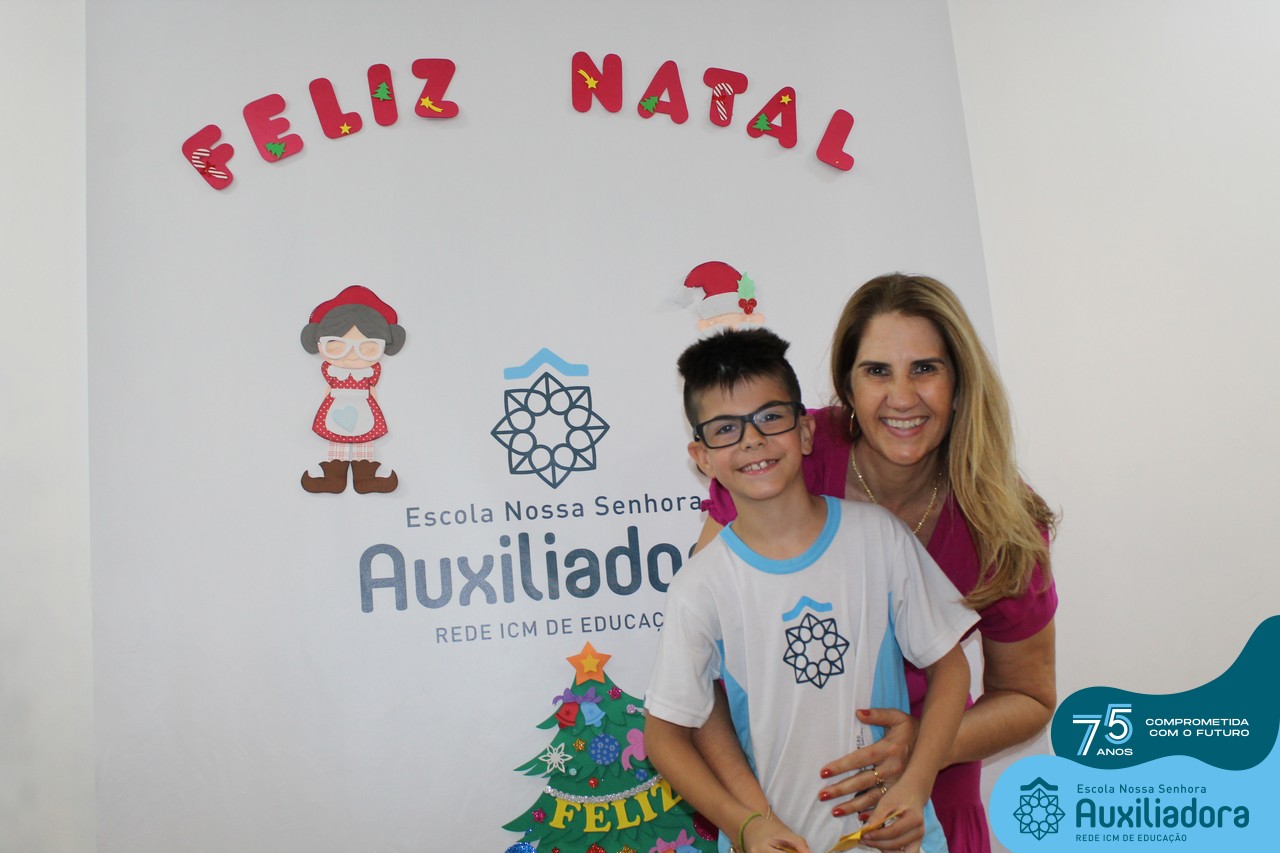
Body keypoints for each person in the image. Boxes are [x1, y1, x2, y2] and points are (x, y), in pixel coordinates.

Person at [691, 274, 1058, 852]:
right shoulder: (781, 455)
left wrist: (919, 750)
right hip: (781, 804)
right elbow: (702, 666)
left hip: (926, 803)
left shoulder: (1003, 517)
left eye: (926, 368)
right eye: (878, 371)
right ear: (847, 385)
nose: (902, 397)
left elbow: (1029, 696)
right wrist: (750, 814)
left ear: (960, 383)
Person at [645, 328, 978, 853]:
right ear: (701, 457)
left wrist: (916, 783)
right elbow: (664, 737)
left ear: (804, 432)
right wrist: (745, 825)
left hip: (897, 839)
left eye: (769, 417)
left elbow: (951, 667)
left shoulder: (879, 537)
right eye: (726, 429)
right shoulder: (700, 585)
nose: (752, 440)